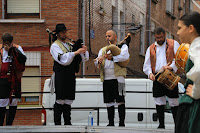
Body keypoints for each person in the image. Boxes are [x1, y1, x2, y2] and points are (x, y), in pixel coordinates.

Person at [50, 23, 89, 125]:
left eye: (65, 32)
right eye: (63, 32)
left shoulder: (69, 45)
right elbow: (63, 60)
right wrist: (76, 52)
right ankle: (57, 123)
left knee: (68, 99)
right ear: (58, 34)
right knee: (60, 99)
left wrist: (83, 50)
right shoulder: (55, 46)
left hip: (70, 75)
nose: (65, 34)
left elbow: (85, 58)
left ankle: (68, 122)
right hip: (61, 75)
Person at [143, 27, 180, 129]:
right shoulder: (150, 48)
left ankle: (177, 126)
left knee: (173, 101)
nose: (158, 39)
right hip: (157, 75)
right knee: (159, 100)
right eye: (156, 38)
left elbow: (178, 58)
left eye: (160, 37)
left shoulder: (173, 43)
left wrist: (171, 67)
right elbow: (146, 65)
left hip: (170, 73)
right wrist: (150, 73)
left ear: (164, 35)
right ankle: (161, 125)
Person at [94, 30, 130, 127]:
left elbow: (125, 57)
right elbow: (96, 61)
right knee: (109, 101)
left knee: (120, 100)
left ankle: (121, 123)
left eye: (109, 36)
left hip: (119, 78)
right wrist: (99, 61)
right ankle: (111, 122)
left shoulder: (123, 46)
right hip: (107, 79)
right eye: (106, 36)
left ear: (115, 36)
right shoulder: (103, 50)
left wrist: (112, 58)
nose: (107, 38)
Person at [175, 11, 200, 133]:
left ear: (191, 28)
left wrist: (196, 91)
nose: (178, 32)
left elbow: (199, 70)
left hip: (193, 105)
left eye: (180, 28)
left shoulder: (197, 46)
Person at [0, 32, 26, 126]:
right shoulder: (0, 49)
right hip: (2, 79)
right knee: (2, 101)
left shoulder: (17, 48)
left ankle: (9, 125)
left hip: (15, 79)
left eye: (7, 43)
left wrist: (11, 50)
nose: (5, 45)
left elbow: (23, 59)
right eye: (4, 43)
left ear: (11, 42)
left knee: (13, 102)